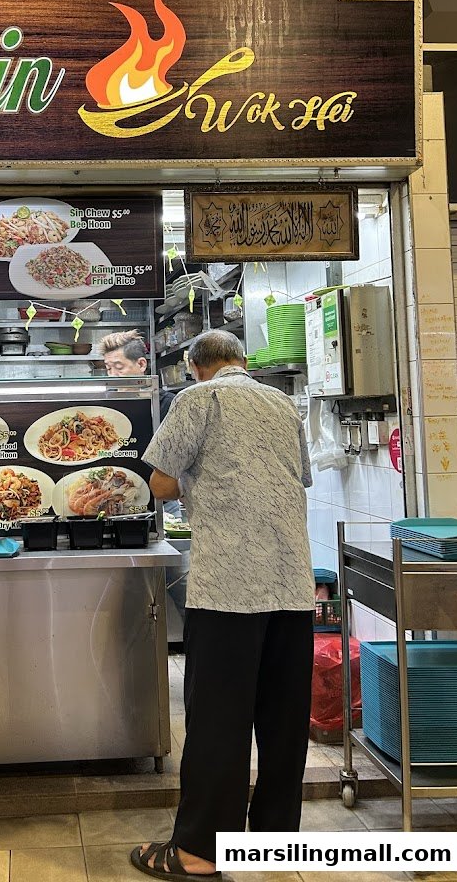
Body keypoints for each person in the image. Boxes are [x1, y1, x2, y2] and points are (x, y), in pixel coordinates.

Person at [132, 329, 314, 881]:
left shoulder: (198, 398)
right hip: (291, 582)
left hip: (230, 585)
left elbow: (161, 483)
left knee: (218, 721)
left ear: (194, 366)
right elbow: (295, 478)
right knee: (282, 721)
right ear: (242, 361)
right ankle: (277, 843)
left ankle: (198, 854)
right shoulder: (282, 403)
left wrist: (198, 481)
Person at [100, 329, 174, 420]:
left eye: (119, 367)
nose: (112, 375)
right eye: (109, 368)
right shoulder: (106, 403)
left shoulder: (167, 404)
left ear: (141, 364)